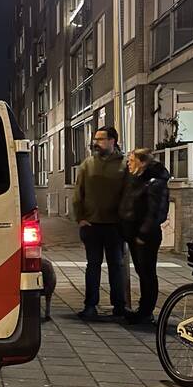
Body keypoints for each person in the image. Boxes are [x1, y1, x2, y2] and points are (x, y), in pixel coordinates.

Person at [72, 126, 129, 320]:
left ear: (113, 140)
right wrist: (80, 218)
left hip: (115, 225)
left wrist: (126, 219)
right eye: (95, 139)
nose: (96, 143)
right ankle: (90, 305)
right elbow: (78, 192)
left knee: (117, 266)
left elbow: (129, 194)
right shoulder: (88, 164)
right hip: (92, 225)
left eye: (101, 139)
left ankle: (119, 306)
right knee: (93, 266)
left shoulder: (124, 165)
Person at [118, 148, 170, 325]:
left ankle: (146, 311)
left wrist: (142, 233)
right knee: (142, 272)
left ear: (142, 161)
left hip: (146, 236)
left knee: (147, 273)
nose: (128, 164)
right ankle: (143, 309)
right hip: (134, 234)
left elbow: (155, 212)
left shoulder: (155, 182)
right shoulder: (137, 178)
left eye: (132, 160)